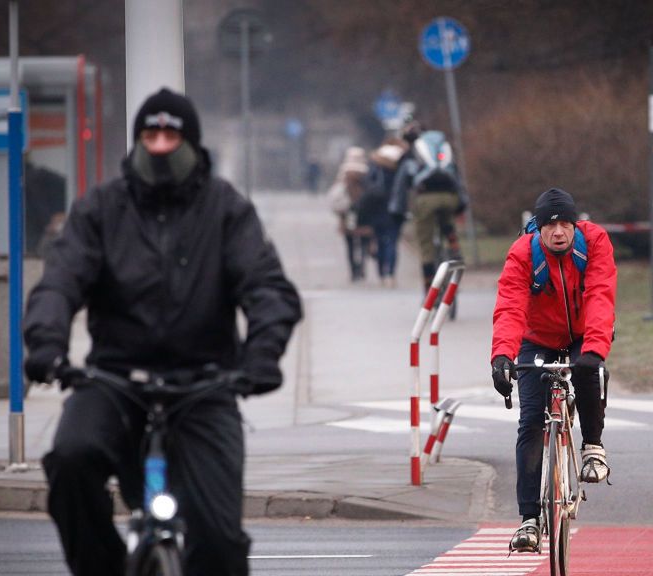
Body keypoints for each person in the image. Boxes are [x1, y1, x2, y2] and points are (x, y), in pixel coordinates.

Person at [23, 87, 302, 576]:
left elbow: (268, 288)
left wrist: (261, 357)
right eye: (149, 133)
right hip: (113, 382)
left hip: (204, 385)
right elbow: (60, 281)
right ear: (135, 142)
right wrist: (47, 345)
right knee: (70, 461)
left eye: (171, 134)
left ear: (191, 143)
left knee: (219, 541)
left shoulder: (225, 209)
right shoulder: (100, 209)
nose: (158, 144)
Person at [490, 187, 617, 553]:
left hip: (583, 331)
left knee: (587, 373)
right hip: (537, 338)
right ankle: (529, 519)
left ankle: (593, 446)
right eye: (550, 225)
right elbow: (510, 306)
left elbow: (600, 295)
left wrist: (593, 350)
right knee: (531, 419)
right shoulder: (522, 254)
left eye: (565, 223)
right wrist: (502, 357)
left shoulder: (594, 243)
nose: (558, 231)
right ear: (539, 229)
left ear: (575, 225)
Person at [389, 118, 469, 292]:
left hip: (425, 199)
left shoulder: (412, 153)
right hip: (449, 197)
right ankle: (453, 244)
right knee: (446, 220)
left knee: (426, 246)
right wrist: (462, 202)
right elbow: (457, 175)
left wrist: (397, 210)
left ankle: (428, 290)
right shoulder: (441, 146)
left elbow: (401, 184)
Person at [363, 139, 407, 287]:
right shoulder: (400, 164)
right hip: (396, 209)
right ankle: (391, 274)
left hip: (377, 209)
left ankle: (382, 273)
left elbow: (367, 183)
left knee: (380, 241)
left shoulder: (375, 164)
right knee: (392, 242)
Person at [327, 147, 373, 281]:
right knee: (364, 240)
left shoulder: (344, 170)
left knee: (350, 242)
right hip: (363, 210)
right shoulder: (366, 170)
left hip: (347, 211)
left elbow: (337, 190)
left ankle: (353, 270)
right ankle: (362, 266)